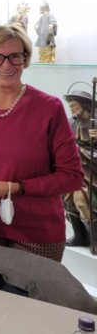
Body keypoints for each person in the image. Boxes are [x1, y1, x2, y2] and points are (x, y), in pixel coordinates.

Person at [0, 24, 82, 262]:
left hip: (37, 231)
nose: (6, 65)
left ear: (25, 60)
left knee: (29, 299)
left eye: (15, 56)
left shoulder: (49, 108)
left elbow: (72, 176)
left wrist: (12, 188)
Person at [62, 89, 97, 248]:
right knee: (68, 201)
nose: (72, 110)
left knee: (84, 202)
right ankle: (79, 236)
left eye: (75, 106)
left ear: (85, 105)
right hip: (74, 168)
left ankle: (94, 239)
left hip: (91, 171)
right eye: (70, 107)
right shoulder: (71, 122)